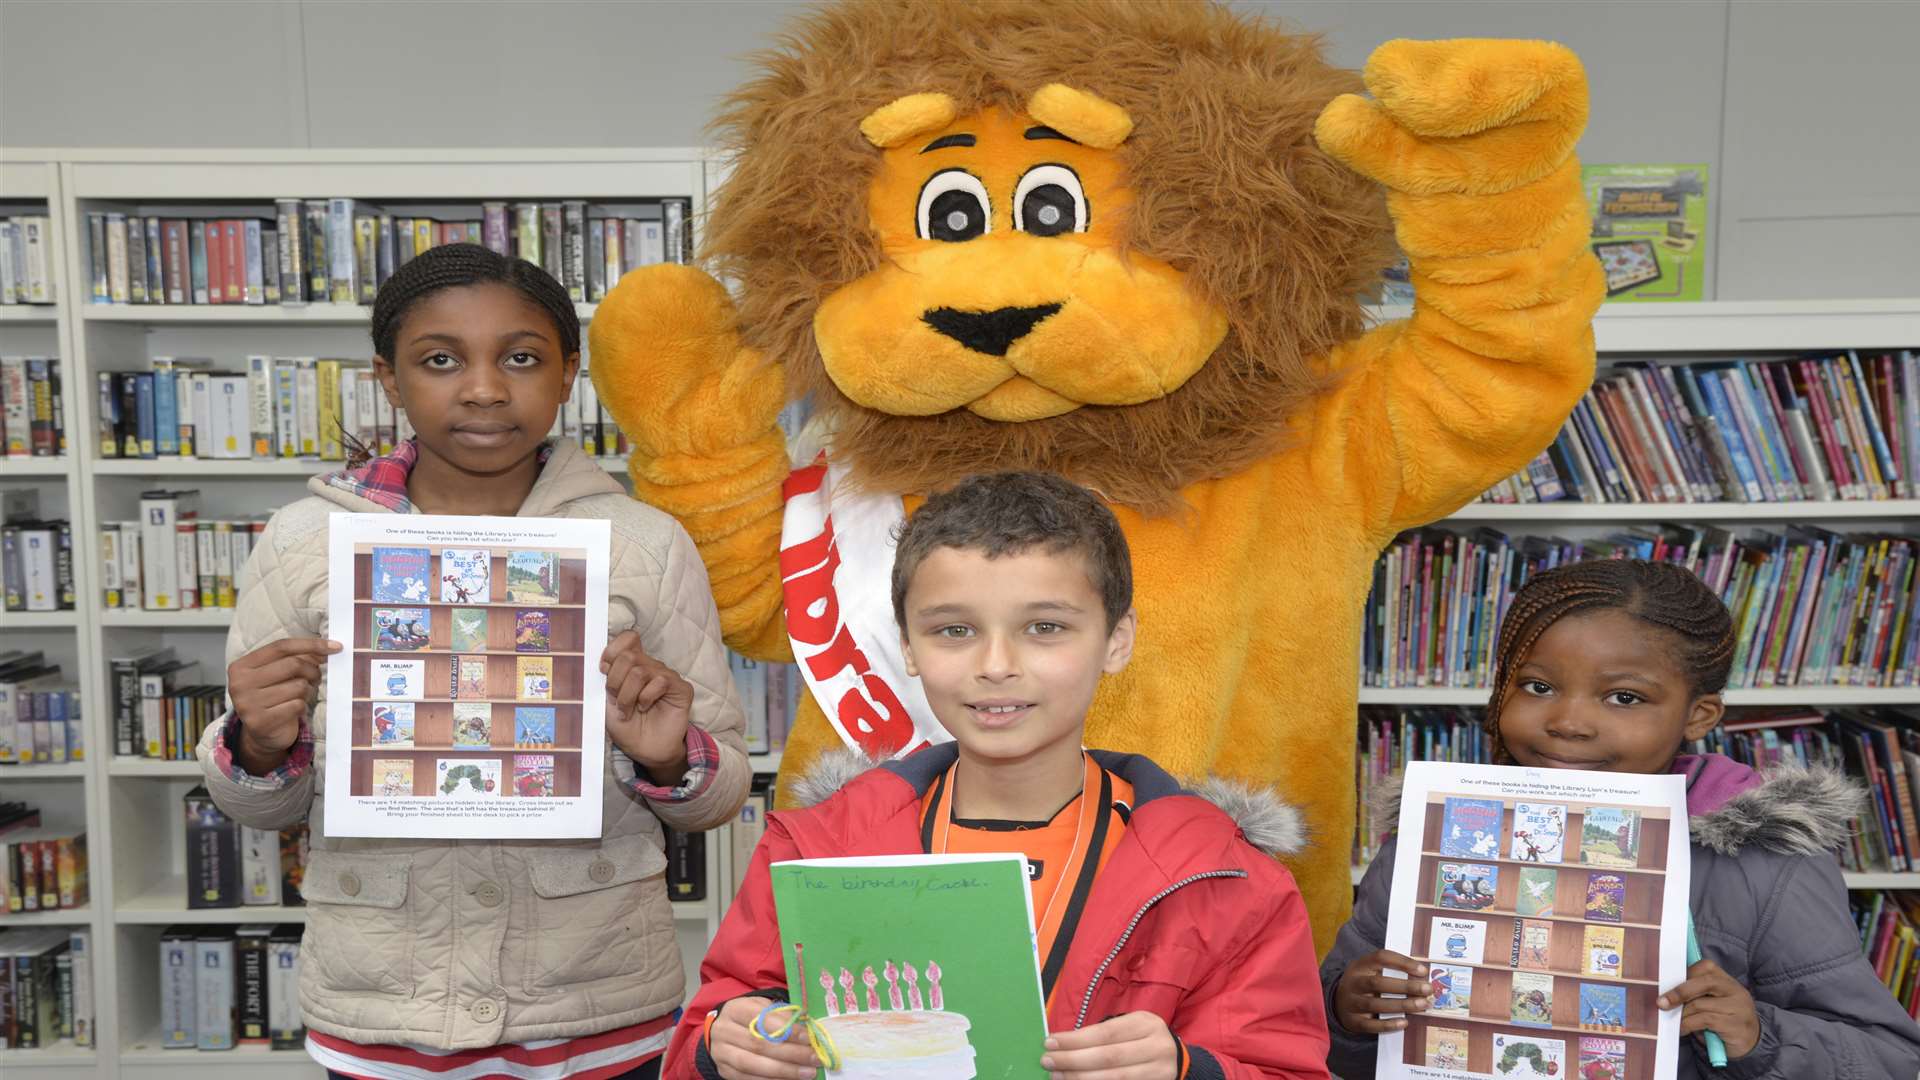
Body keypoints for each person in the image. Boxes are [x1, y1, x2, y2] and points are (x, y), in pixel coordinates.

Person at [194, 243, 751, 1080]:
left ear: (568, 375)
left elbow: (720, 794)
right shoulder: (307, 543)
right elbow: (259, 806)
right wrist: (261, 745)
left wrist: (668, 753)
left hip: (598, 1002)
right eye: (441, 360)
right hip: (385, 1008)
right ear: (388, 378)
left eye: (521, 358)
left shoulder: (641, 542)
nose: (485, 388)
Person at [666, 470, 1333, 1079]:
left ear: (1118, 640)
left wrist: (1192, 1071)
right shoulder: (820, 845)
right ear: (907, 647)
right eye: (954, 631)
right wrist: (721, 1047)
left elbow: (1282, 1063)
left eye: (1044, 627)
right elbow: (717, 1021)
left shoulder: (1221, 876)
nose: (995, 664)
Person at [1321, 558, 1920, 1080]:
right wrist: (1348, 1013)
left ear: (1698, 714)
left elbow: (1887, 1059)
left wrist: (1757, 1036)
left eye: (1624, 698)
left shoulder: (1765, 864)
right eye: (1536, 685)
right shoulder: (1435, 835)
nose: (1569, 722)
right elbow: (1328, 1046)